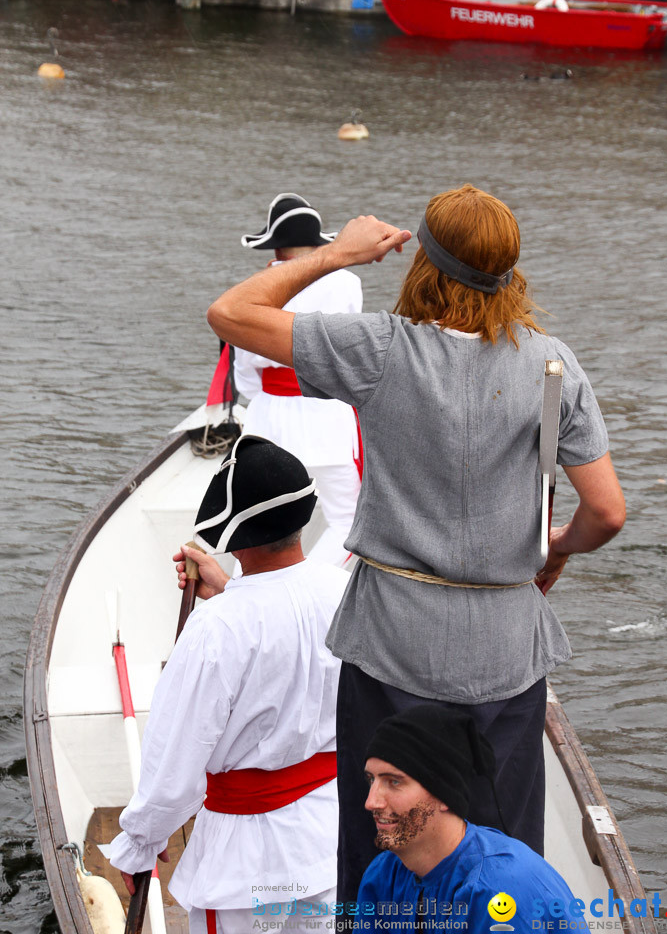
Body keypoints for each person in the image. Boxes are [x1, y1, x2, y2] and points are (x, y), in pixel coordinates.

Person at [205, 186, 626, 911]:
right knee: (503, 855)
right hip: (505, 650)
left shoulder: (380, 350)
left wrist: (338, 253)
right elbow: (608, 512)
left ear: (422, 267)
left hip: (393, 646)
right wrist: (555, 548)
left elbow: (232, 314)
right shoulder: (553, 366)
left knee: (384, 850)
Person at [108, 434, 350, 934]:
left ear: (233, 534)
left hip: (247, 862)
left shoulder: (217, 627)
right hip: (330, 838)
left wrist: (138, 848)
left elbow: (172, 767)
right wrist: (231, 589)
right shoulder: (343, 590)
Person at [356, 706, 590, 933]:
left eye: (394, 782)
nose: (371, 802)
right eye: (371, 780)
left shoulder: (497, 893)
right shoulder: (384, 875)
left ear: (444, 795)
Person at [233, 193, 363, 569]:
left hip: (268, 420)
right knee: (349, 521)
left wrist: (276, 398)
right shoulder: (347, 283)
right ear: (318, 242)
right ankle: (311, 581)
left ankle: (261, 586)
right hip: (328, 418)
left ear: (274, 246)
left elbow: (245, 379)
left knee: (264, 522)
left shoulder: (254, 289)